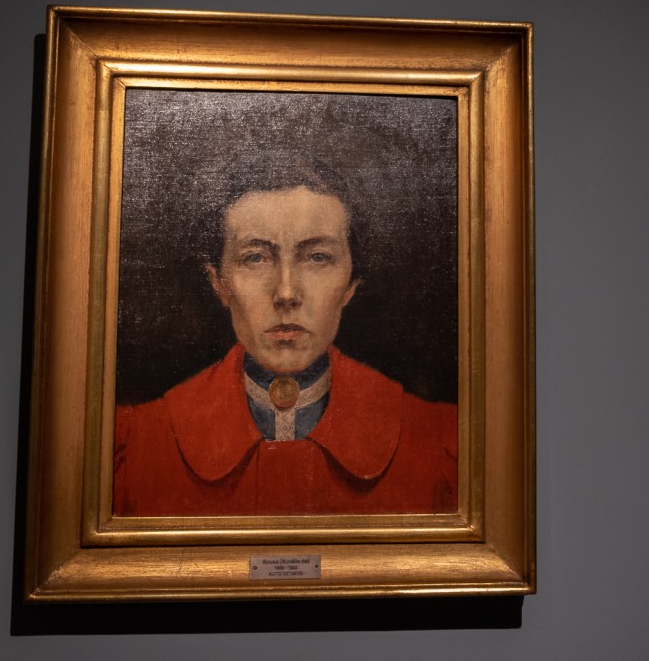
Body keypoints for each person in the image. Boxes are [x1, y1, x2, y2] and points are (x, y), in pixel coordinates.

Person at [113, 154, 457, 516]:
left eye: (318, 257)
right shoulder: (138, 445)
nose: (287, 293)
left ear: (351, 285)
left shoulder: (439, 443)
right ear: (219, 283)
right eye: (255, 258)